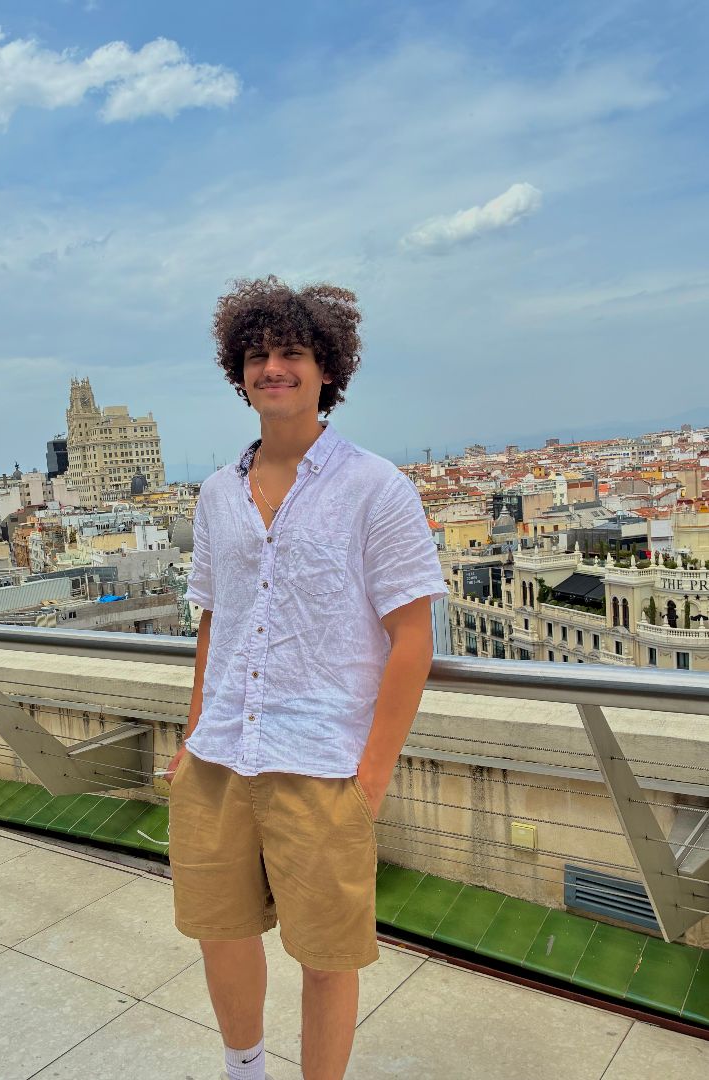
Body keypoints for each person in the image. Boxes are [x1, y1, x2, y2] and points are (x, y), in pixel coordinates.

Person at [166, 276, 447, 1080]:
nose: (273, 368)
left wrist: (372, 777)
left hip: (323, 763)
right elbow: (215, 621)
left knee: (327, 958)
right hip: (220, 755)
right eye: (257, 355)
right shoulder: (218, 492)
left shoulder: (375, 488)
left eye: (291, 352)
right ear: (239, 372)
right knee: (221, 933)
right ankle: (244, 1069)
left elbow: (412, 638)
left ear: (328, 368)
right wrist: (191, 741)